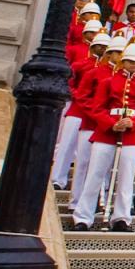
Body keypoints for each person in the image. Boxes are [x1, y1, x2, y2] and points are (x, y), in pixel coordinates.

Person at [71, 42, 135, 232]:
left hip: (131, 136)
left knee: (126, 179)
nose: (133, 65)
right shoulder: (108, 82)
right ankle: (83, 217)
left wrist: (133, 123)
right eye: (130, 61)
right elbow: (97, 108)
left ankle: (121, 218)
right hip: (105, 134)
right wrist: (111, 123)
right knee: (94, 175)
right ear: (123, 62)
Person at [70, 37, 124, 201]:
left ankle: (101, 200)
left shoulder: (124, 79)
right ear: (110, 54)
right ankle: (75, 200)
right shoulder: (94, 72)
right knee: (83, 163)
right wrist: (96, 113)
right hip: (91, 123)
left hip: (110, 127)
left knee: (105, 167)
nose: (122, 57)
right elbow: (82, 96)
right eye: (119, 53)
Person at [52, 29, 106, 189]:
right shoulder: (79, 64)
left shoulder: (107, 72)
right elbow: (70, 85)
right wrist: (81, 99)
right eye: (100, 46)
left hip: (93, 115)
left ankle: (79, 187)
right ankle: (57, 178)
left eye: (105, 47)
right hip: (77, 109)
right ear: (92, 47)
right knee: (66, 145)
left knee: (86, 154)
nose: (102, 49)